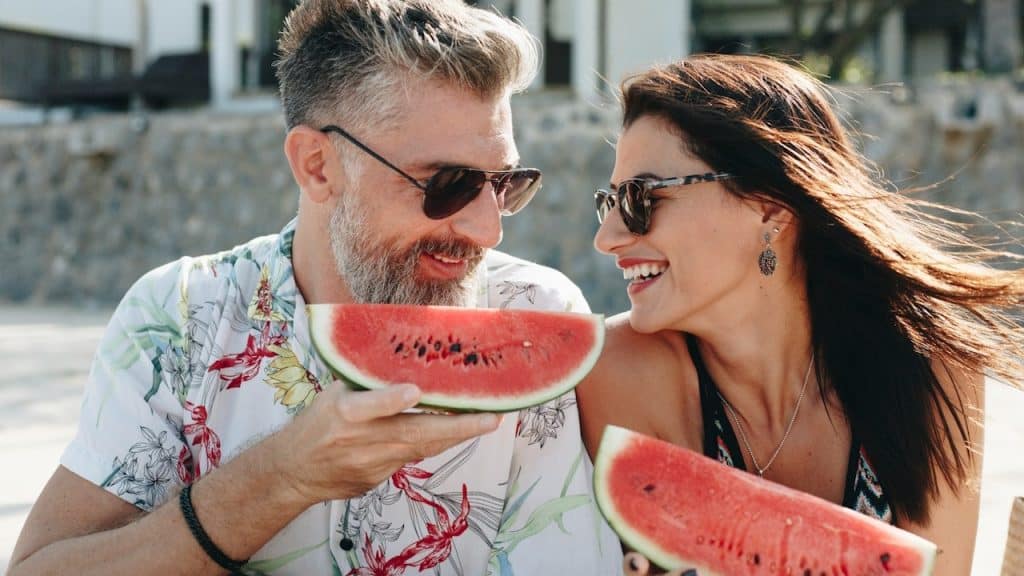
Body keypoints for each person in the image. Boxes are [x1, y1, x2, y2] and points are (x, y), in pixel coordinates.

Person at [10, 1, 622, 574]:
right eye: (450, 184)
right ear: (317, 166)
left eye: (505, 184)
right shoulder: (179, 318)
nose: (487, 230)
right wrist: (280, 478)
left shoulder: (533, 317)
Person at [578, 53, 1024, 576]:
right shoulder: (617, 373)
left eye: (639, 198)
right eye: (608, 201)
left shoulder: (932, 375)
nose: (607, 239)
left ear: (769, 207)